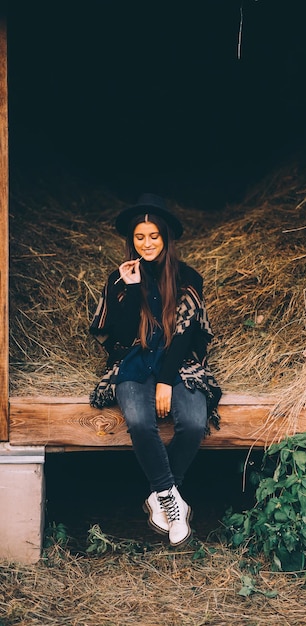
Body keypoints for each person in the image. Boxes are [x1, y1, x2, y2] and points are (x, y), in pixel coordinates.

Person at [89, 193, 221, 547]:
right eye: (139, 237)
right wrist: (131, 291)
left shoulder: (188, 278)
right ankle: (170, 497)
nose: (146, 244)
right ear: (131, 241)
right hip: (132, 362)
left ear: (166, 238)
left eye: (153, 236)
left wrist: (165, 381)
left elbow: (185, 336)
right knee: (139, 421)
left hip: (178, 364)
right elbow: (118, 337)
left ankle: (161, 493)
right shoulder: (118, 280)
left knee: (194, 422)